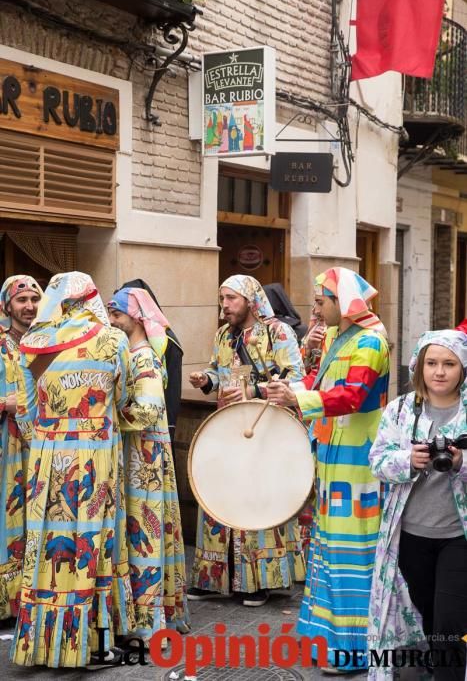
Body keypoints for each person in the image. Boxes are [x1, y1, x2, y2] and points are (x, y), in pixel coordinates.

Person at [267, 266, 390, 671]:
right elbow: (319, 382)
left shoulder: (371, 341)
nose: (315, 312)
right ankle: (329, 641)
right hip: (334, 455)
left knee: (350, 550)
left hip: (360, 461)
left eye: (321, 303)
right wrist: (287, 390)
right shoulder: (341, 335)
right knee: (328, 547)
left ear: (343, 302)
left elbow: (352, 397)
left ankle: (354, 651)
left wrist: (298, 400)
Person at [11, 272, 135, 668]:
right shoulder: (114, 340)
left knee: (46, 549)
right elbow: (124, 396)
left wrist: (48, 441)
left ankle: (41, 645)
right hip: (95, 459)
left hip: (47, 461)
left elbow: (27, 414)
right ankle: (94, 645)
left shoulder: (33, 344)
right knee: (91, 546)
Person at [188, 274, 306, 607]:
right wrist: (206, 379)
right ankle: (213, 578)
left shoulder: (278, 332)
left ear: (250, 300)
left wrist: (253, 390)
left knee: (257, 498)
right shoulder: (223, 335)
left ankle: (258, 583)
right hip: (227, 428)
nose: (225, 306)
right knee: (219, 495)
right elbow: (218, 371)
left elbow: (296, 379)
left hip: (265, 427)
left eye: (231, 299)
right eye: (222, 299)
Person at [368, 329, 467, 681]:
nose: (439, 371)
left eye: (449, 364)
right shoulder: (399, 411)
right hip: (409, 536)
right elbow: (377, 462)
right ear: (419, 367)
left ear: (463, 368)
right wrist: (409, 460)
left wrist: (460, 463)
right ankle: (439, 661)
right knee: (430, 614)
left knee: (450, 620)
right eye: (432, 363)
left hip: (458, 536)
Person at [107, 287, 189, 643]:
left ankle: (146, 621)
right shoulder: (134, 353)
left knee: (145, 534)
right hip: (139, 455)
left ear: (136, 317)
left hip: (146, 461)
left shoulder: (144, 358)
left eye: (117, 314)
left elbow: (149, 411)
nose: (111, 320)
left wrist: (107, 415)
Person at [0, 276, 43, 620]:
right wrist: (4, 404)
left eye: (34, 299)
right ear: (7, 305)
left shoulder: (45, 342)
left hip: (38, 445)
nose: (28, 306)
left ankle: (28, 595)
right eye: (21, 300)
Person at [117, 279, 183, 448]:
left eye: (117, 314)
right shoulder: (126, 348)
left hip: (147, 438)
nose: (110, 320)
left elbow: (167, 393)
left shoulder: (152, 351)